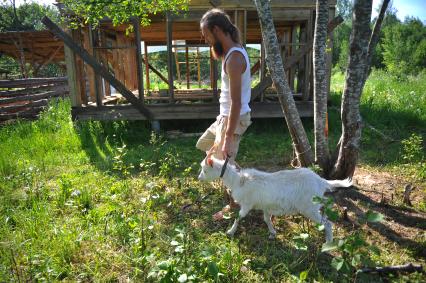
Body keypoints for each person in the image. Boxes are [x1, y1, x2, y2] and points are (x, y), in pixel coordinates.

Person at [196, 8, 252, 220]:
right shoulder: (230, 54)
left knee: (223, 165)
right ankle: (244, 180)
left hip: (234, 119)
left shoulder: (235, 59)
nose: (205, 39)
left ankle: (236, 205)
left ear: (217, 30)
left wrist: (227, 138)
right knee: (205, 145)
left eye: (206, 34)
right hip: (225, 117)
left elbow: (237, 103)